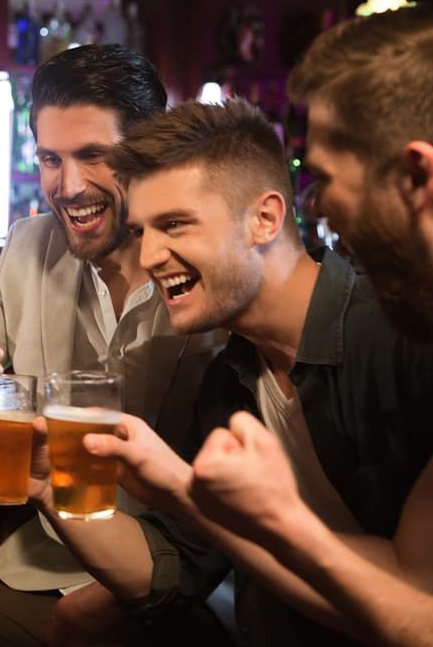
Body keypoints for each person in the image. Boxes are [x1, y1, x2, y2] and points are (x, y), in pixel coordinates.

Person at [75, 97, 433, 646]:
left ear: (264, 219)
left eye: (174, 225)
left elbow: (419, 595)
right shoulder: (228, 380)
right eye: (142, 230)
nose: (147, 256)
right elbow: (177, 567)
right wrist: (50, 492)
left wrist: (180, 488)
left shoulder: (399, 341)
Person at [0, 44, 227, 647]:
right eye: (51, 159)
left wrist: (118, 600)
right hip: (43, 567)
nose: (69, 185)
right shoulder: (26, 247)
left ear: (151, 148)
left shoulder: (216, 266)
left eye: (94, 156)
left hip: (200, 584)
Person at [184, 5, 433, 647]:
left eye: (323, 178)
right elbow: (416, 581)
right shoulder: (226, 379)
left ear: (416, 176)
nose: (317, 208)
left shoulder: (394, 345)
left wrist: (279, 518)